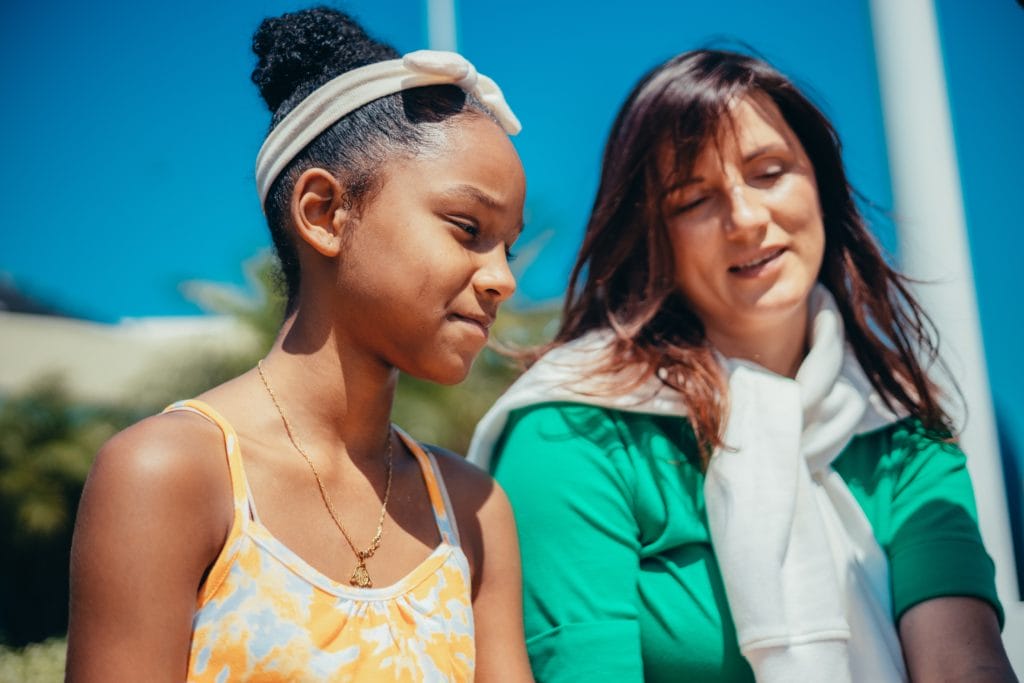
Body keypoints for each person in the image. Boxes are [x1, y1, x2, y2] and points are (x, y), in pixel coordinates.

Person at [469, 49, 1016, 682]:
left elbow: (963, 665)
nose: (747, 219)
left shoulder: (899, 432)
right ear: (654, 237)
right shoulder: (571, 431)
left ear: (821, 183)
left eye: (769, 171)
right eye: (694, 199)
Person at [66, 7, 533, 681]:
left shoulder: (473, 509)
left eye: (508, 247)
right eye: (467, 228)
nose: (502, 279)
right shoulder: (170, 474)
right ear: (324, 212)